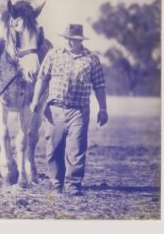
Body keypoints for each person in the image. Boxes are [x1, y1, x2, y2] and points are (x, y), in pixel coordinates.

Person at [30, 23, 108, 196]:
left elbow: (100, 85)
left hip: (79, 111)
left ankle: (73, 186)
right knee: (54, 148)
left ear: (80, 40)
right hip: (54, 109)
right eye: (67, 38)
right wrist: (35, 99)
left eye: (74, 39)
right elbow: (42, 78)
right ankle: (56, 184)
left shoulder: (92, 59)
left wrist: (103, 108)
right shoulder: (53, 55)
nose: (69, 42)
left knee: (76, 149)